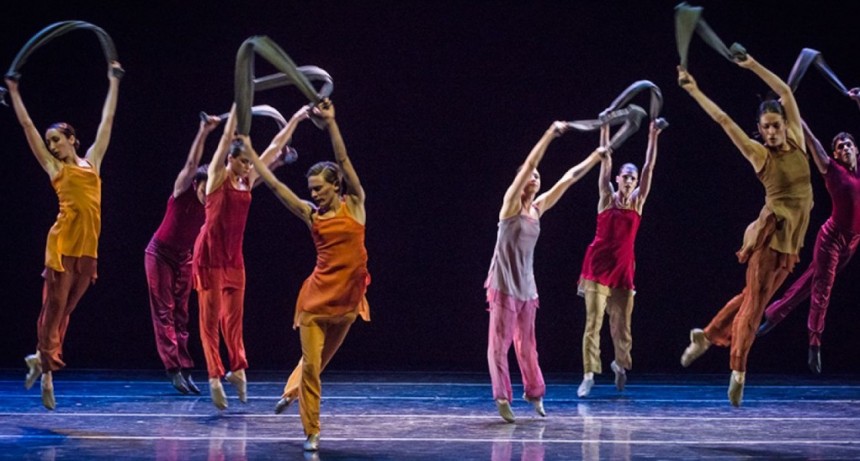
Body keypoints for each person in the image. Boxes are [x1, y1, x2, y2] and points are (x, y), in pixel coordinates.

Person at [678, 56, 813, 407]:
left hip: (791, 242)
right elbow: (724, 120)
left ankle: (706, 336)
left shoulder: (797, 139)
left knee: (753, 297)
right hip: (769, 240)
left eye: (775, 125)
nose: (771, 132)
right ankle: (738, 371)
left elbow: (785, 91)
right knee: (753, 306)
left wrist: (752, 65)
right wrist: (694, 91)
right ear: (760, 130)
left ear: (785, 124)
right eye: (765, 127)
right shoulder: (759, 155)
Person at [245, 99, 368, 452]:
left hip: (348, 301)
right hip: (315, 301)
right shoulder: (311, 215)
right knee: (312, 366)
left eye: (319, 188)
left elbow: (343, 160)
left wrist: (331, 122)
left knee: (319, 363)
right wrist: (252, 155)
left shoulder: (355, 204)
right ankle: (312, 430)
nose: (313, 194)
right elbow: (274, 186)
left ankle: (291, 390)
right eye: (311, 189)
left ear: (336, 185)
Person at [6, 61, 123, 410]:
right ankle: (46, 375)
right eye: (50, 142)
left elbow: (107, 121)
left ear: (72, 139)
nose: (53, 145)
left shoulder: (92, 162)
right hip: (61, 245)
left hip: (88, 249)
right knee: (54, 307)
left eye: (57, 139)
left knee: (66, 310)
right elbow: (27, 126)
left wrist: (113, 81)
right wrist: (14, 91)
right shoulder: (54, 168)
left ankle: (39, 357)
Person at [485, 121, 606, 423]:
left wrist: (596, 156)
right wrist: (550, 134)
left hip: (527, 289)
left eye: (539, 176)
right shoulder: (510, 205)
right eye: (532, 175)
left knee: (528, 346)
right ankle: (502, 397)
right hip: (504, 286)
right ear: (521, 181)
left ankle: (534, 392)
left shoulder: (537, 208)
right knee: (499, 345)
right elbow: (530, 163)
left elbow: (568, 179)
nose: (536, 177)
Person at [192, 104, 309, 410]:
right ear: (230, 159)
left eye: (248, 162)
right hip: (209, 257)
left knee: (233, 319)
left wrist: (296, 117)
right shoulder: (217, 176)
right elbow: (223, 142)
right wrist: (239, 105)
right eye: (242, 161)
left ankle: (238, 368)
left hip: (234, 258)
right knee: (210, 321)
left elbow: (274, 147)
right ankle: (214, 377)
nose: (247, 167)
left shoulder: (247, 178)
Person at [757, 90, 860, 374]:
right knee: (822, 289)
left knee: (808, 283)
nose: (844, 147)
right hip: (831, 240)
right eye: (839, 146)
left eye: (848, 144)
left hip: (853, 242)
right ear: (835, 154)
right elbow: (811, 138)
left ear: (856, 150)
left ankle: (774, 314)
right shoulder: (832, 169)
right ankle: (814, 343)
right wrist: (789, 109)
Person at [576, 120, 663, 398]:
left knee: (622, 327)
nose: (628, 181)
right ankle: (589, 375)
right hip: (597, 269)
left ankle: (619, 365)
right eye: (625, 176)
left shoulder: (638, 203)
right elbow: (605, 158)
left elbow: (649, 168)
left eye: (632, 178)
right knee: (593, 323)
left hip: (623, 271)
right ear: (617, 179)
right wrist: (605, 128)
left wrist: (653, 135)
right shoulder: (606, 197)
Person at [145, 115, 221, 395]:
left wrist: (276, 162)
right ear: (196, 184)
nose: (206, 195)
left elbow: (250, 182)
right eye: (203, 189)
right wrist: (204, 131)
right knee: (164, 311)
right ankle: (173, 368)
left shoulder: (213, 201)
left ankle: (186, 368)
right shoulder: (182, 190)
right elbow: (191, 164)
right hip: (159, 254)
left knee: (182, 313)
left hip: (184, 258)